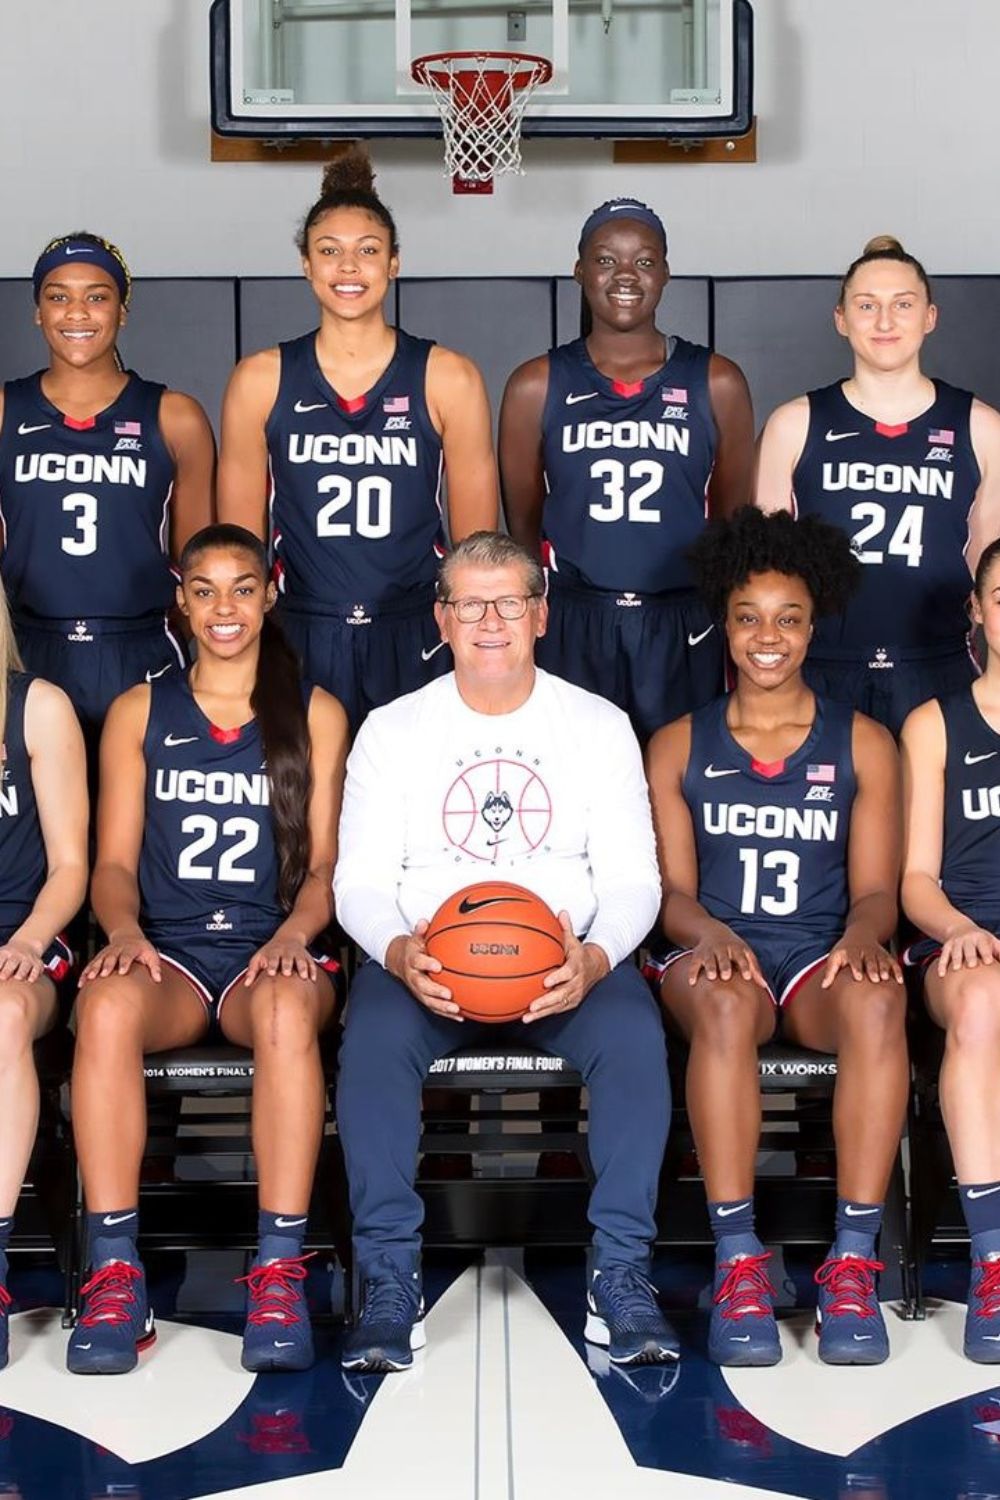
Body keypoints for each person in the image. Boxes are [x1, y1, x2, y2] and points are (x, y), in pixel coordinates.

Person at [333, 530, 673, 1373]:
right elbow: (359, 884)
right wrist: (401, 949)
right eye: (471, 604)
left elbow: (637, 880)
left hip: (562, 966)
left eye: (510, 602)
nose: (492, 621)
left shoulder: (597, 726)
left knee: (635, 1040)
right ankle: (387, 1280)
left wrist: (593, 960)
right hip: (430, 969)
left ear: (541, 615)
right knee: (370, 1045)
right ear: (442, 618)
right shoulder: (390, 729)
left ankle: (620, 1277)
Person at [67, 524, 348, 1376]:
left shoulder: (316, 710)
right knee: (106, 1004)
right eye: (204, 589)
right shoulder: (141, 710)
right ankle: (115, 1272)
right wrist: (122, 934)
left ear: (269, 595)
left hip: (276, 947)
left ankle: (278, 1269)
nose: (224, 607)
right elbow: (113, 863)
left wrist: (297, 936)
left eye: (241, 587)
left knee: (288, 1010)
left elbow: (327, 866)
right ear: (181, 602)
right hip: (174, 955)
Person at [645, 506, 907, 1367]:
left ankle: (853, 1264)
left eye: (789, 619)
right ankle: (740, 1262)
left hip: (817, 956)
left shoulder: (863, 740)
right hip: (716, 953)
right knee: (721, 1002)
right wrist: (711, 929)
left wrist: (867, 935)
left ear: (813, 625)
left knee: (876, 999)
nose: (769, 637)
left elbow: (874, 890)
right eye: (750, 617)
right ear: (723, 623)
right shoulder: (679, 742)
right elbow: (671, 893)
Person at [218, 150, 499, 732]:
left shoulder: (448, 376)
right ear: (305, 264)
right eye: (329, 251)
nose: (349, 267)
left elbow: (477, 551)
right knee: (304, 804)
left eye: (368, 250)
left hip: (415, 627)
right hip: (302, 624)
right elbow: (240, 550)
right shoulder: (261, 379)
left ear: (394, 263)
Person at [499, 196, 755, 742]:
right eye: (605, 259)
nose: (625, 276)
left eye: (643, 261)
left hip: (681, 621)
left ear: (665, 273)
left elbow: (732, 523)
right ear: (579, 271)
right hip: (575, 617)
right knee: (574, 787)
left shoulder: (717, 382)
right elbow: (523, 526)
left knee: (675, 789)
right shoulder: (535, 385)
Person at [755, 234, 1000, 736]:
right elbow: (767, 573)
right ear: (841, 318)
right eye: (867, 306)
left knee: (932, 814)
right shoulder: (795, 423)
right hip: (823, 665)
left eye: (902, 305)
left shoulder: (980, 426)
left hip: (938, 664)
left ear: (930, 317)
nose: (884, 322)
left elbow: (987, 565)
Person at [0, 231, 215, 754]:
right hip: (26, 647)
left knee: (139, 830)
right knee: (36, 831)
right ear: (37, 311)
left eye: (97, 296)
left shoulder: (173, 417)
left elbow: (202, 564)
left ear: (121, 311)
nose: (77, 312)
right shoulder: (6, 412)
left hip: (140, 649)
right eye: (58, 296)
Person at [901, 535, 1000, 1361]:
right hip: (963, 946)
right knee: (985, 998)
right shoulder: (936, 723)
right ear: (977, 608)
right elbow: (916, 880)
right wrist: (962, 931)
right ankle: (992, 1263)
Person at [0, 581, 88, 1369]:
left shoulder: (35, 706)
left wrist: (27, 938)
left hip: (25, 939)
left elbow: (69, 868)